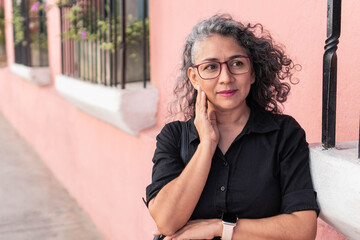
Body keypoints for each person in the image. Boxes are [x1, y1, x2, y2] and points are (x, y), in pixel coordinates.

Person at [145, 14, 319, 240]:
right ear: (194, 78)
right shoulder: (174, 136)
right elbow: (167, 221)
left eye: (237, 63)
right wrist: (207, 144)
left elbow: (303, 230)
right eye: (210, 67)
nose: (226, 78)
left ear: (253, 71)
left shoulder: (284, 134)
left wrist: (220, 228)